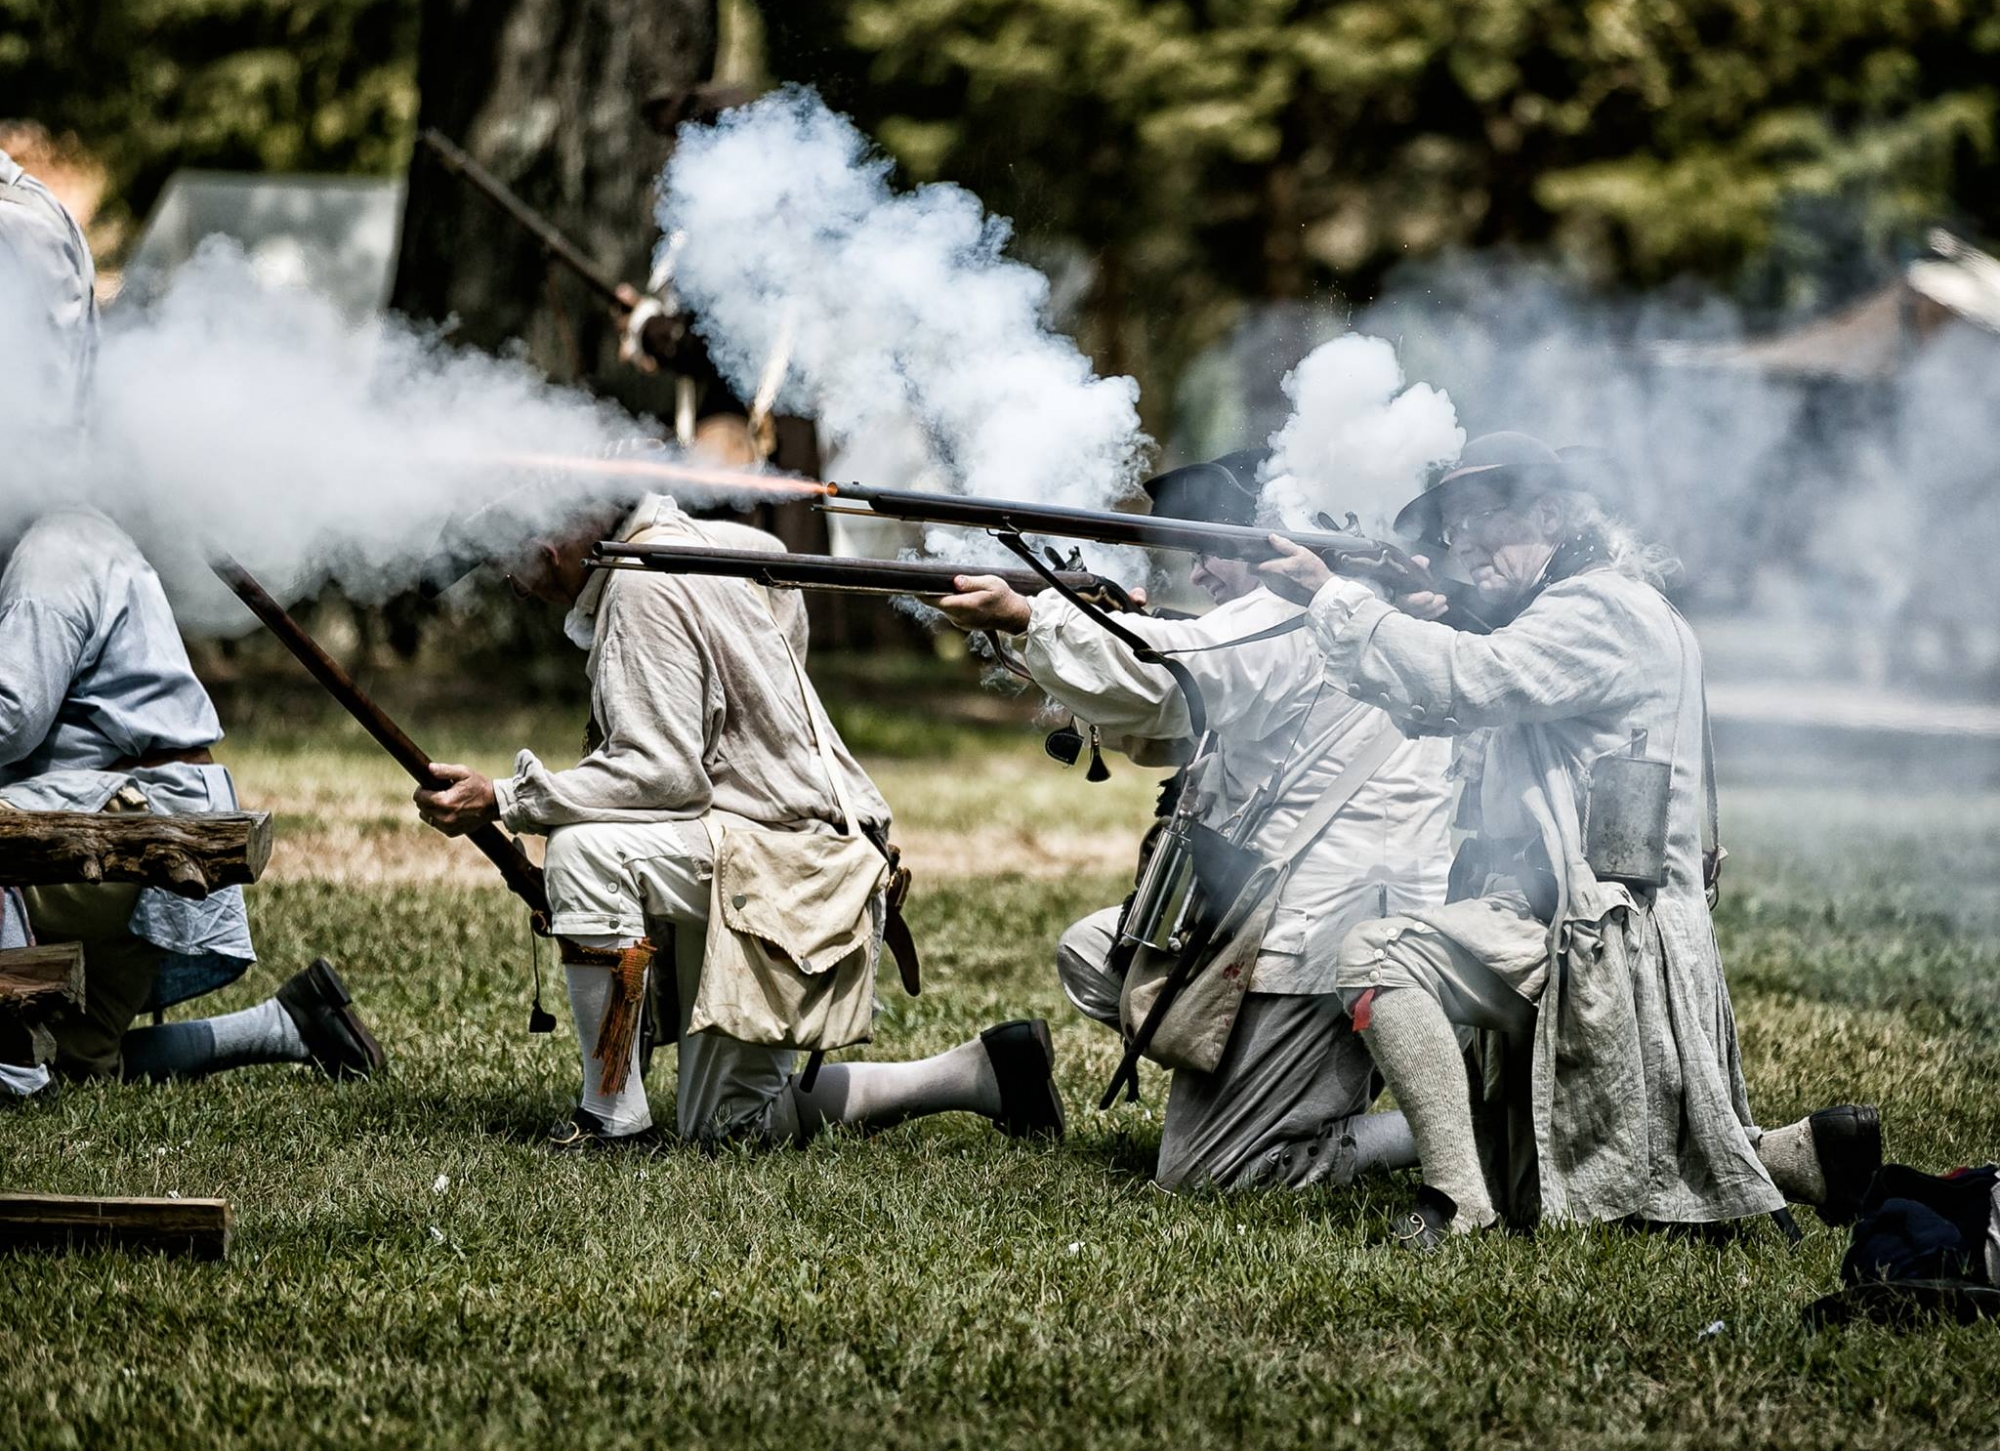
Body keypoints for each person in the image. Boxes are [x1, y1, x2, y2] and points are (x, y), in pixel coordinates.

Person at [1259, 431, 1881, 1246]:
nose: (1462, 542)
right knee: (1608, 1165)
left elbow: (1470, 678)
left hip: (1599, 928)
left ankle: (1455, 1202)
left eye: (1481, 518)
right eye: (1452, 528)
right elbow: (1457, 701)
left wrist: (1334, 599)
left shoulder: (1594, 611)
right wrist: (1422, 619)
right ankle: (1807, 1157)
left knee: (1376, 956)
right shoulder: (1605, 602)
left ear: (1549, 514)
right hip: (1595, 913)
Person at [412, 488, 1064, 1148]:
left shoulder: (642, 584)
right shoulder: (691, 539)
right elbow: (772, 556)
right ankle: (987, 1072)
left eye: (516, 558)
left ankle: (610, 1115)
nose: (521, 583)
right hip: (768, 851)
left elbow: (661, 773)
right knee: (733, 1126)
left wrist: (502, 799)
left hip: (787, 862)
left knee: (586, 851)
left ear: (552, 540)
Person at [936, 450, 1454, 1190]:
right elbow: (1174, 731)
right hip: (1284, 915)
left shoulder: (1285, 615)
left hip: (1319, 942)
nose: (1201, 569)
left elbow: (1157, 686)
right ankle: (1293, 1082)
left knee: (1208, 1175)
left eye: (1212, 546)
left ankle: (1444, 1119)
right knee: (1096, 954)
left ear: (1271, 541)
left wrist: (1028, 615)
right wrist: (1110, 628)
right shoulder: (1315, 615)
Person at [0, 147, 381, 1099]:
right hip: (138, 843)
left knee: (24, 1056)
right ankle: (286, 1026)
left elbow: (5, 717)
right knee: (83, 1071)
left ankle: (5, 1057)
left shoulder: (59, 547)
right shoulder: (73, 536)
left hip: (128, 841)